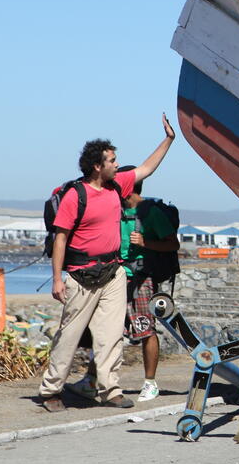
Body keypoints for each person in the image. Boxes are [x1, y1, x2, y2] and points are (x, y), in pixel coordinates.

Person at [37, 115, 175, 412]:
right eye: (112, 160)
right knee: (69, 336)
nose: (117, 164)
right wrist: (57, 279)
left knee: (111, 336)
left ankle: (110, 389)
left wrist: (168, 140)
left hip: (113, 273)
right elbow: (61, 238)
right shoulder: (77, 195)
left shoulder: (117, 186)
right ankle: (51, 390)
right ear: (97, 166)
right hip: (81, 273)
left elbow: (146, 168)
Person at [67, 171, 180, 403]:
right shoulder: (114, 208)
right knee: (105, 330)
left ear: (128, 186)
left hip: (141, 278)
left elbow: (173, 243)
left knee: (145, 328)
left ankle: (150, 383)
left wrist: (146, 243)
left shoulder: (151, 212)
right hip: (114, 276)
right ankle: (91, 381)